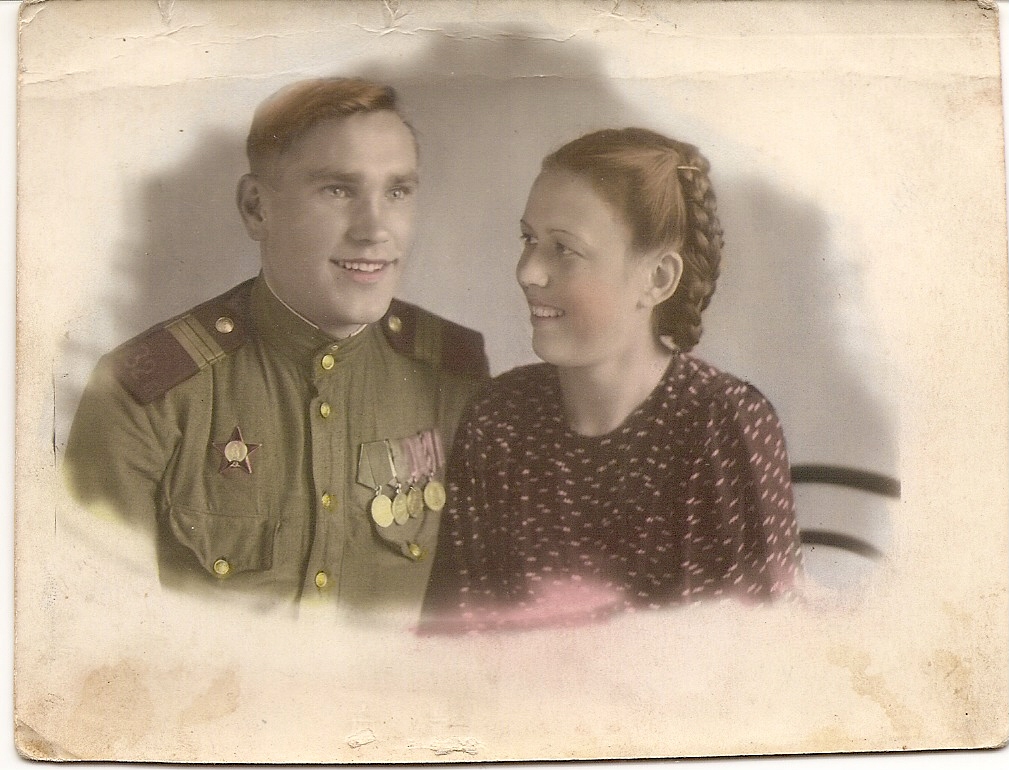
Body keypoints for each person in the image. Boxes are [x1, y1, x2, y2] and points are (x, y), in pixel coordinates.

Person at [63, 78, 489, 615]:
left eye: (397, 192)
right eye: (338, 190)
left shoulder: (453, 377)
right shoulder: (144, 393)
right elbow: (103, 638)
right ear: (256, 208)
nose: (375, 230)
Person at [421, 128, 803, 633]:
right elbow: (454, 641)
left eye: (565, 249)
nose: (528, 271)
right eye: (529, 240)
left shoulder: (723, 423)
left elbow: (760, 655)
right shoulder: (499, 418)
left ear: (658, 279)